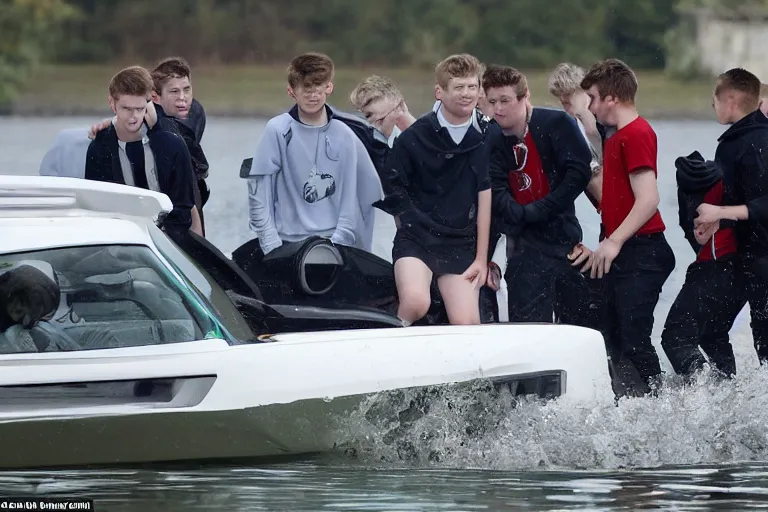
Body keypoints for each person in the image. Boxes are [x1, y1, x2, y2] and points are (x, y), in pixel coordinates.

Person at [483, 64, 606, 336]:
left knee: (585, 329)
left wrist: (540, 209)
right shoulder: (491, 136)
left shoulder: (556, 124)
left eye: (505, 101)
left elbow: (578, 174)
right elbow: (494, 188)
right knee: (530, 332)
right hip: (523, 249)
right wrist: (522, 216)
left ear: (524, 96)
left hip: (565, 245)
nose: (498, 109)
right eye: (492, 102)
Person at [579, 58, 676, 392]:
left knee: (635, 341)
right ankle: (626, 403)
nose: (589, 106)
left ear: (611, 99)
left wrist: (614, 241)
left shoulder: (635, 134)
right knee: (608, 336)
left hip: (643, 251)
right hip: (620, 249)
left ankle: (659, 406)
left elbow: (648, 199)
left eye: (592, 98)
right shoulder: (615, 136)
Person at [374, 53, 491, 326]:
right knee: (417, 301)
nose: (467, 94)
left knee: (467, 324)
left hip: (460, 243)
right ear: (439, 92)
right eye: (458, 87)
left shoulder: (487, 135)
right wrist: (408, 227)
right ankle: (387, 342)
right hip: (416, 239)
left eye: (472, 87)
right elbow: (395, 190)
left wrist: (482, 259)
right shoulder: (415, 136)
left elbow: (485, 198)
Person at [244, 52, 382, 256]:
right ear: (291, 91)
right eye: (305, 88)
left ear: (329, 87)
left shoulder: (344, 134)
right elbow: (258, 193)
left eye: (318, 86)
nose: (312, 94)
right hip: (285, 243)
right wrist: (271, 246)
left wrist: (337, 245)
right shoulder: (277, 130)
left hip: (335, 243)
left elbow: (351, 199)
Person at [88, 57, 210, 235]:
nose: (182, 99)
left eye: (187, 90)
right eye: (174, 91)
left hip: (179, 213)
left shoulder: (194, 112)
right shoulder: (106, 143)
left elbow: (189, 200)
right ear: (155, 98)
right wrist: (116, 124)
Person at [694, 67, 768, 365]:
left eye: (716, 96)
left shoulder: (758, 142)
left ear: (731, 99)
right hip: (748, 259)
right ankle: (729, 400)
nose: (712, 103)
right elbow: (745, 198)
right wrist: (714, 222)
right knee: (715, 332)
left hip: (763, 259)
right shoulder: (735, 141)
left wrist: (721, 212)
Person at [660, 150, 743, 377]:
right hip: (743, 270)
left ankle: (702, 398)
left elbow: (695, 233)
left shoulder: (701, 191)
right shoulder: (736, 171)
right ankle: (728, 393)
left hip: (715, 265)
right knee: (713, 336)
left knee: (675, 338)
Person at [547, 62, 610, 212]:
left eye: (567, 99)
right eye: (563, 102)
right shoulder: (574, 123)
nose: (565, 106)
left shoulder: (597, 115)